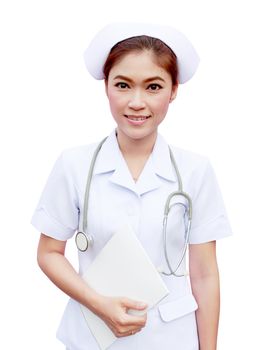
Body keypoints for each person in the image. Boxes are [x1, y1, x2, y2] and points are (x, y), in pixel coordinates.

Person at [31, 23, 232, 350]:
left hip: (173, 339)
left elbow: (205, 275)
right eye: (123, 85)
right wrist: (99, 304)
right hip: (94, 338)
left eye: (153, 87)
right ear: (106, 87)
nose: (137, 102)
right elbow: (49, 253)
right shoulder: (74, 165)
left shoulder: (196, 171)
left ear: (174, 90)